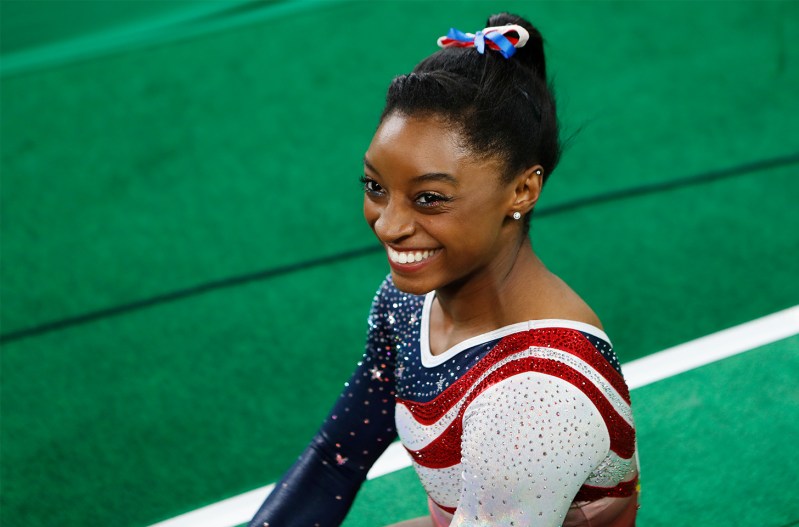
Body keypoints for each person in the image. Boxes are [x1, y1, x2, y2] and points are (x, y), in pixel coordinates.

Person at [249, 12, 639, 527]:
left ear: (522, 190)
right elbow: (333, 460)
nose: (389, 226)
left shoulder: (536, 398)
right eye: (375, 187)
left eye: (429, 198)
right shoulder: (408, 302)